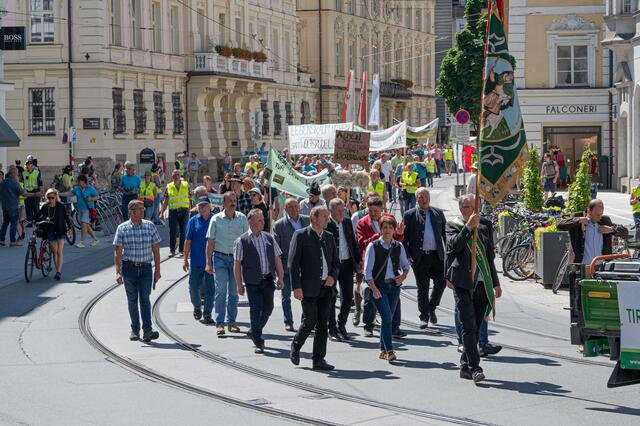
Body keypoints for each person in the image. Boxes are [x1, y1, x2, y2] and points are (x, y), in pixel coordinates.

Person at [445, 194, 502, 384]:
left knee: (476, 327)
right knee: (468, 326)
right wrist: (468, 227)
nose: (475, 211)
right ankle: (475, 368)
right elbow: (454, 246)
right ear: (462, 209)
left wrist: (496, 283)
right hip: (462, 282)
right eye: (470, 207)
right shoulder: (453, 225)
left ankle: (464, 366)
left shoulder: (484, 226)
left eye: (475, 206)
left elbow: (489, 258)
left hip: (481, 283)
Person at [288, 206, 340, 371]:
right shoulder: (301, 235)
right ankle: (296, 345)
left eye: (327, 216)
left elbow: (336, 262)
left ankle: (318, 359)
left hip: (326, 287)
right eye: (324, 216)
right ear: (313, 218)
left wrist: (333, 276)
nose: (327, 219)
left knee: (322, 324)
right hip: (308, 287)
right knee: (310, 321)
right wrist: (296, 286)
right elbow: (293, 264)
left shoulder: (329, 237)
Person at [234, 209, 285, 353]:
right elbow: (237, 264)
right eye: (260, 220)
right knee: (255, 309)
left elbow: (277, 259)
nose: (263, 223)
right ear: (250, 222)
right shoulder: (242, 241)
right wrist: (239, 284)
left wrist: (280, 277)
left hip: (268, 279)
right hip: (252, 282)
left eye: (263, 220)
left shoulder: (269, 238)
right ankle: (258, 339)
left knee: (268, 308)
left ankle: (254, 330)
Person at [356, 197, 406, 338]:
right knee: (371, 295)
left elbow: (396, 241)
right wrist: (377, 236)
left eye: (376, 211)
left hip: (390, 263)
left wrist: (400, 234)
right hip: (373, 262)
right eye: (370, 211)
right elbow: (361, 244)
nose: (373, 214)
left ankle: (395, 327)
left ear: (381, 209)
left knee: (395, 296)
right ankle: (368, 325)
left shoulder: (389, 219)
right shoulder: (362, 223)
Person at [113, 199, 162, 343]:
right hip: (129, 269)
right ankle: (135, 329)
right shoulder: (122, 228)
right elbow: (118, 251)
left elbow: (156, 249)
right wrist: (117, 271)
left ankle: (147, 330)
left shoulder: (150, 226)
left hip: (146, 269)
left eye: (143, 208)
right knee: (132, 300)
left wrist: (157, 270)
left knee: (145, 299)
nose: (143, 211)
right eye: (140, 209)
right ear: (132, 212)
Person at [363, 216, 411, 362]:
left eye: (390, 227)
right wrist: (374, 288)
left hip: (394, 287)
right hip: (379, 287)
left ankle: (382, 349)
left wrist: (402, 277)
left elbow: (406, 266)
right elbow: (367, 271)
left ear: (394, 229)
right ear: (380, 228)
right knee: (387, 317)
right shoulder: (374, 246)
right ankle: (390, 351)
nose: (387, 230)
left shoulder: (398, 246)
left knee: (387, 319)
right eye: (384, 227)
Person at [205, 191, 249, 336]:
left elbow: (247, 241)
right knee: (221, 289)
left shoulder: (242, 218)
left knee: (233, 292)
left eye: (234, 200)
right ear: (223, 204)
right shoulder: (216, 219)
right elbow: (210, 242)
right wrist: (208, 263)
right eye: (230, 200)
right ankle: (219, 323)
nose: (233, 203)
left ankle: (231, 322)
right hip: (220, 258)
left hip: (237, 260)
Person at [402, 188, 447, 328]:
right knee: (423, 287)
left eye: (426, 196)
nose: (424, 199)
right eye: (421, 197)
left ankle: (431, 307)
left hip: (436, 256)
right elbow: (403, 239)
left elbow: (446, 235)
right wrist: (407, 255)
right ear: (417, 199)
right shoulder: (409, 215)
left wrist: (449, 254)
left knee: (441, 283)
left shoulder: (438, 213)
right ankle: (424, 316)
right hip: (419, 257)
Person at [274, 198, 310, 332]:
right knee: (285, 296)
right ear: (285, 209)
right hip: (287, 267)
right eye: (290, 207)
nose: (294, 209)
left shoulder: (307, 221)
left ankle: (305, 321)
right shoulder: (279, 225)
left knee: (306, 295)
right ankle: (288, 321)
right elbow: (276, 249)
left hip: (305, 266)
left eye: (296, 206)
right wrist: (278, 271)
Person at [326, 198, 360, 341]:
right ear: (331, 211)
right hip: (332, 266)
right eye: (338, 211)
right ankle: (332, 328)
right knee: (331, 298)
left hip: (346, 265)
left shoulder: (346, 222)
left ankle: (342, 325)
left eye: (343, 210)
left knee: (347, 298)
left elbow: (353, 242)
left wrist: (358, 263)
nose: (342, 213)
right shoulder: (326, 224)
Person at [557, 199, 628, 264]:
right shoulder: (578, 217)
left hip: (601, 266)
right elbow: (559, 225)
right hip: (581, 267)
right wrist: (578, 220)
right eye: (597, 215)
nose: (599, 217)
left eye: (601, 214)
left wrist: (611, 229)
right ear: (589, 211)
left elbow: (625, 232)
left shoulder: (604, 221)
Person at [183, 197, 216, 324]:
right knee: (193, 287)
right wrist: (185, 259)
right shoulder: (193, 221)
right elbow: (187, 241)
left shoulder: (216, 219)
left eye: (204, 206)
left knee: (210, 289)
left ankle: (207, 314)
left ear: (210, 206)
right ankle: (197, 307)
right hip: (196, 261)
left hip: (211, 261)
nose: (201, 208)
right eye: (199, 206)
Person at [35, 189, 71, 280]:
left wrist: (69, 228)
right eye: (49, 197)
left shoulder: (60, 206)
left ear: (56, 197)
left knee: (59, 252)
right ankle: (57, 270)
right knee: (55, 252)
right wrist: (28, 219)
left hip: (60, 230)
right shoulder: (45, 207)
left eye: (52, 197)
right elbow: (38, 215)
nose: (50, 199)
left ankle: (58, 272)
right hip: (50, 230)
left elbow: (66, 217)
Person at [0, 166, 35, 246]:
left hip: (5, 206)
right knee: (13, 223)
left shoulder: (2, 182)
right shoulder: (15, 183)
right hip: (13, 206)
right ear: (12, 174)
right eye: (17, 174)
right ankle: (12, 241)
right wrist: (35, 194)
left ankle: (1, 240)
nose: (17, 175)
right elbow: (23, 193)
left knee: (5, 223)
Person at [160, 170, 190, 257]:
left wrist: (190, 209)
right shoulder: (169, 186)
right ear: (172, 176)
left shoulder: (185, 184)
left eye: (178, 174)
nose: (176, 176)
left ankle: (181, 250)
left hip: (184, 210)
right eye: (174, 175)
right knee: (172, 231)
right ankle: (172, 250)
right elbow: (166, 200)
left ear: (180, 175)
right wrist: (162, 212)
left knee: (183, 231)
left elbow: (190, 196)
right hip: (173, 211)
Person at [67, 175, 100, 248]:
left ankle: (81, 242)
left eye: (80, 182)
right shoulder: (78, 188)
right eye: (78, 181)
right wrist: (58, 194)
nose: (79, 183)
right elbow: (70, 193)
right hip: (80, 209)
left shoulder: (90, 188)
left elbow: (97, 196)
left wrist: (91, 199)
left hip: (87, 209)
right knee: (87, 226)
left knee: (84, 225)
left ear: (84, 182)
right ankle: (95, 239)